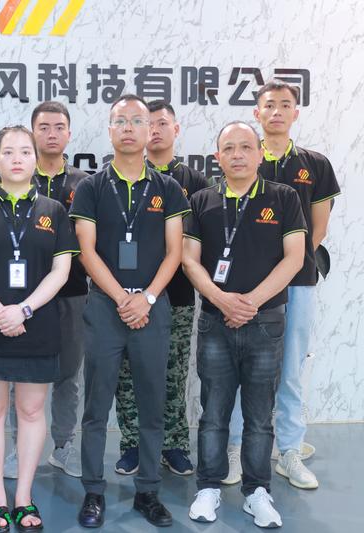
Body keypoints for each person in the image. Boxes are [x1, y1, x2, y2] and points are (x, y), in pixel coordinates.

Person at [71, 95, 189, 528]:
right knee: (97, 405)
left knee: (152, 402)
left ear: (150, 130)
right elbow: (86, 251)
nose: (128, 128)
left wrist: (148, 298)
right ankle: (93, 492)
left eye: (137, 121)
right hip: (105, 307)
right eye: (120, 121)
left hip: (153, 308)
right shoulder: (91, 187)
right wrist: (123, 298)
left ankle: (149, 492)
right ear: (109, 130)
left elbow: (175, 252)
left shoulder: (167, 188)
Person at [183, 121, 306, 528]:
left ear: (259, 153)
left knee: (259, 415)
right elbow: (189, 260)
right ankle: (208, 488)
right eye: (229, 148)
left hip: (265, 321)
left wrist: (250, 302)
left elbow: (294, 258)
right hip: (215, 322)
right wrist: (221, 299)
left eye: (245, 147)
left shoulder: (284, 197)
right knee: (213, 412)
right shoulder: (202, 200)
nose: (237, 155)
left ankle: (257, 493)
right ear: (217, 157)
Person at [225, 80, 341, 489]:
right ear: (256, 113)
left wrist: (286, 268)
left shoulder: (315, 164)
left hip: (298, 282)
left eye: (285, 104)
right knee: (242, 369)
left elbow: (318, 228)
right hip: (246, 288)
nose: (276, 111)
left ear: (295, 112)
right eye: (269, 105)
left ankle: (289, 450)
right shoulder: (244, 158)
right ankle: (235, 448)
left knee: (290, 369)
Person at [0, 125, 77, 532]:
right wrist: (0, 311)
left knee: (30, 411)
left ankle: (24, 496)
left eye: (24, 151)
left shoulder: (54, 210)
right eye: (8, 152)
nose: (16, 158)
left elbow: (61, 271)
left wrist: (23, 310)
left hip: (38, 324)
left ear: (35, 158)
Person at [113, 100, 209, 477]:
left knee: (173, 373)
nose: (154, 130)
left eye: (162, 123)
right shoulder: (124, 177)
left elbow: (197, 242)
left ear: (176, 129)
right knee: (127, 374)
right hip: (126, 295)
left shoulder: (194, 182)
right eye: (147, 123)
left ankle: (174, 444)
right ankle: (131, 444)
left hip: (177, 296)